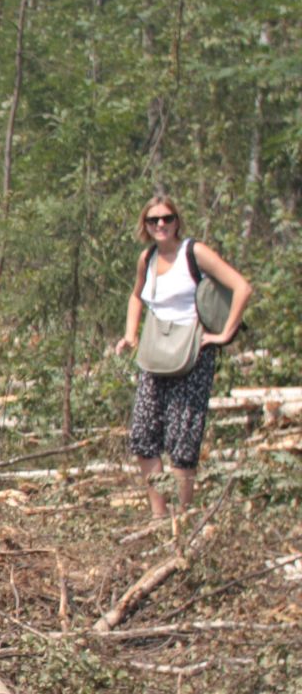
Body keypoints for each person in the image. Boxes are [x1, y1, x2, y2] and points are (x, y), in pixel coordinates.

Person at [114, 195, 251, 519]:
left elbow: (242, 287)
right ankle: (160, 520)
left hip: (192, 356)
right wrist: (130, 335)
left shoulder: (195, 253)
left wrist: (224, 334)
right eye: (154, 220)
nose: (161, 224)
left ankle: (181, 522)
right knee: (144, 438)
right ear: (145, 225)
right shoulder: (146, 257)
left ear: (177, 221)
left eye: (167, 218)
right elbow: (136, 296)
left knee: (182, 442)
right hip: (154, 356)